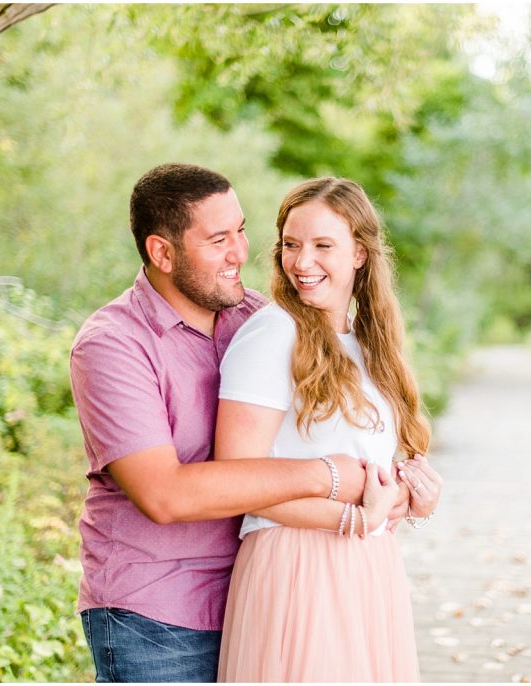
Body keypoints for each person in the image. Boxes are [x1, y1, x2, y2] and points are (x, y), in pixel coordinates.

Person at [68, 163, 377, 683]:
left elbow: (343, 418)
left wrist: (404, 478)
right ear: (161, 252)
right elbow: (165, 495)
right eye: (218, 239)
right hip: (156, 615)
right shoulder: (113, 345)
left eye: (241, 230)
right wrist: (327, 474)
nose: (241, 252)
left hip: (260, 595)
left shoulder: (259, 322)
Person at [214, 177, 444, 682]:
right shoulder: (274, 333)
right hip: (297, 568)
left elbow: (373, 482)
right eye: (291, 245)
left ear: (360, 254)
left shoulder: (368, 344)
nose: (302, 262)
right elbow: (234, 483)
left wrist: (413, 499)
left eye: (323, 246)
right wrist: (350, 521)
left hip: (367, 568)